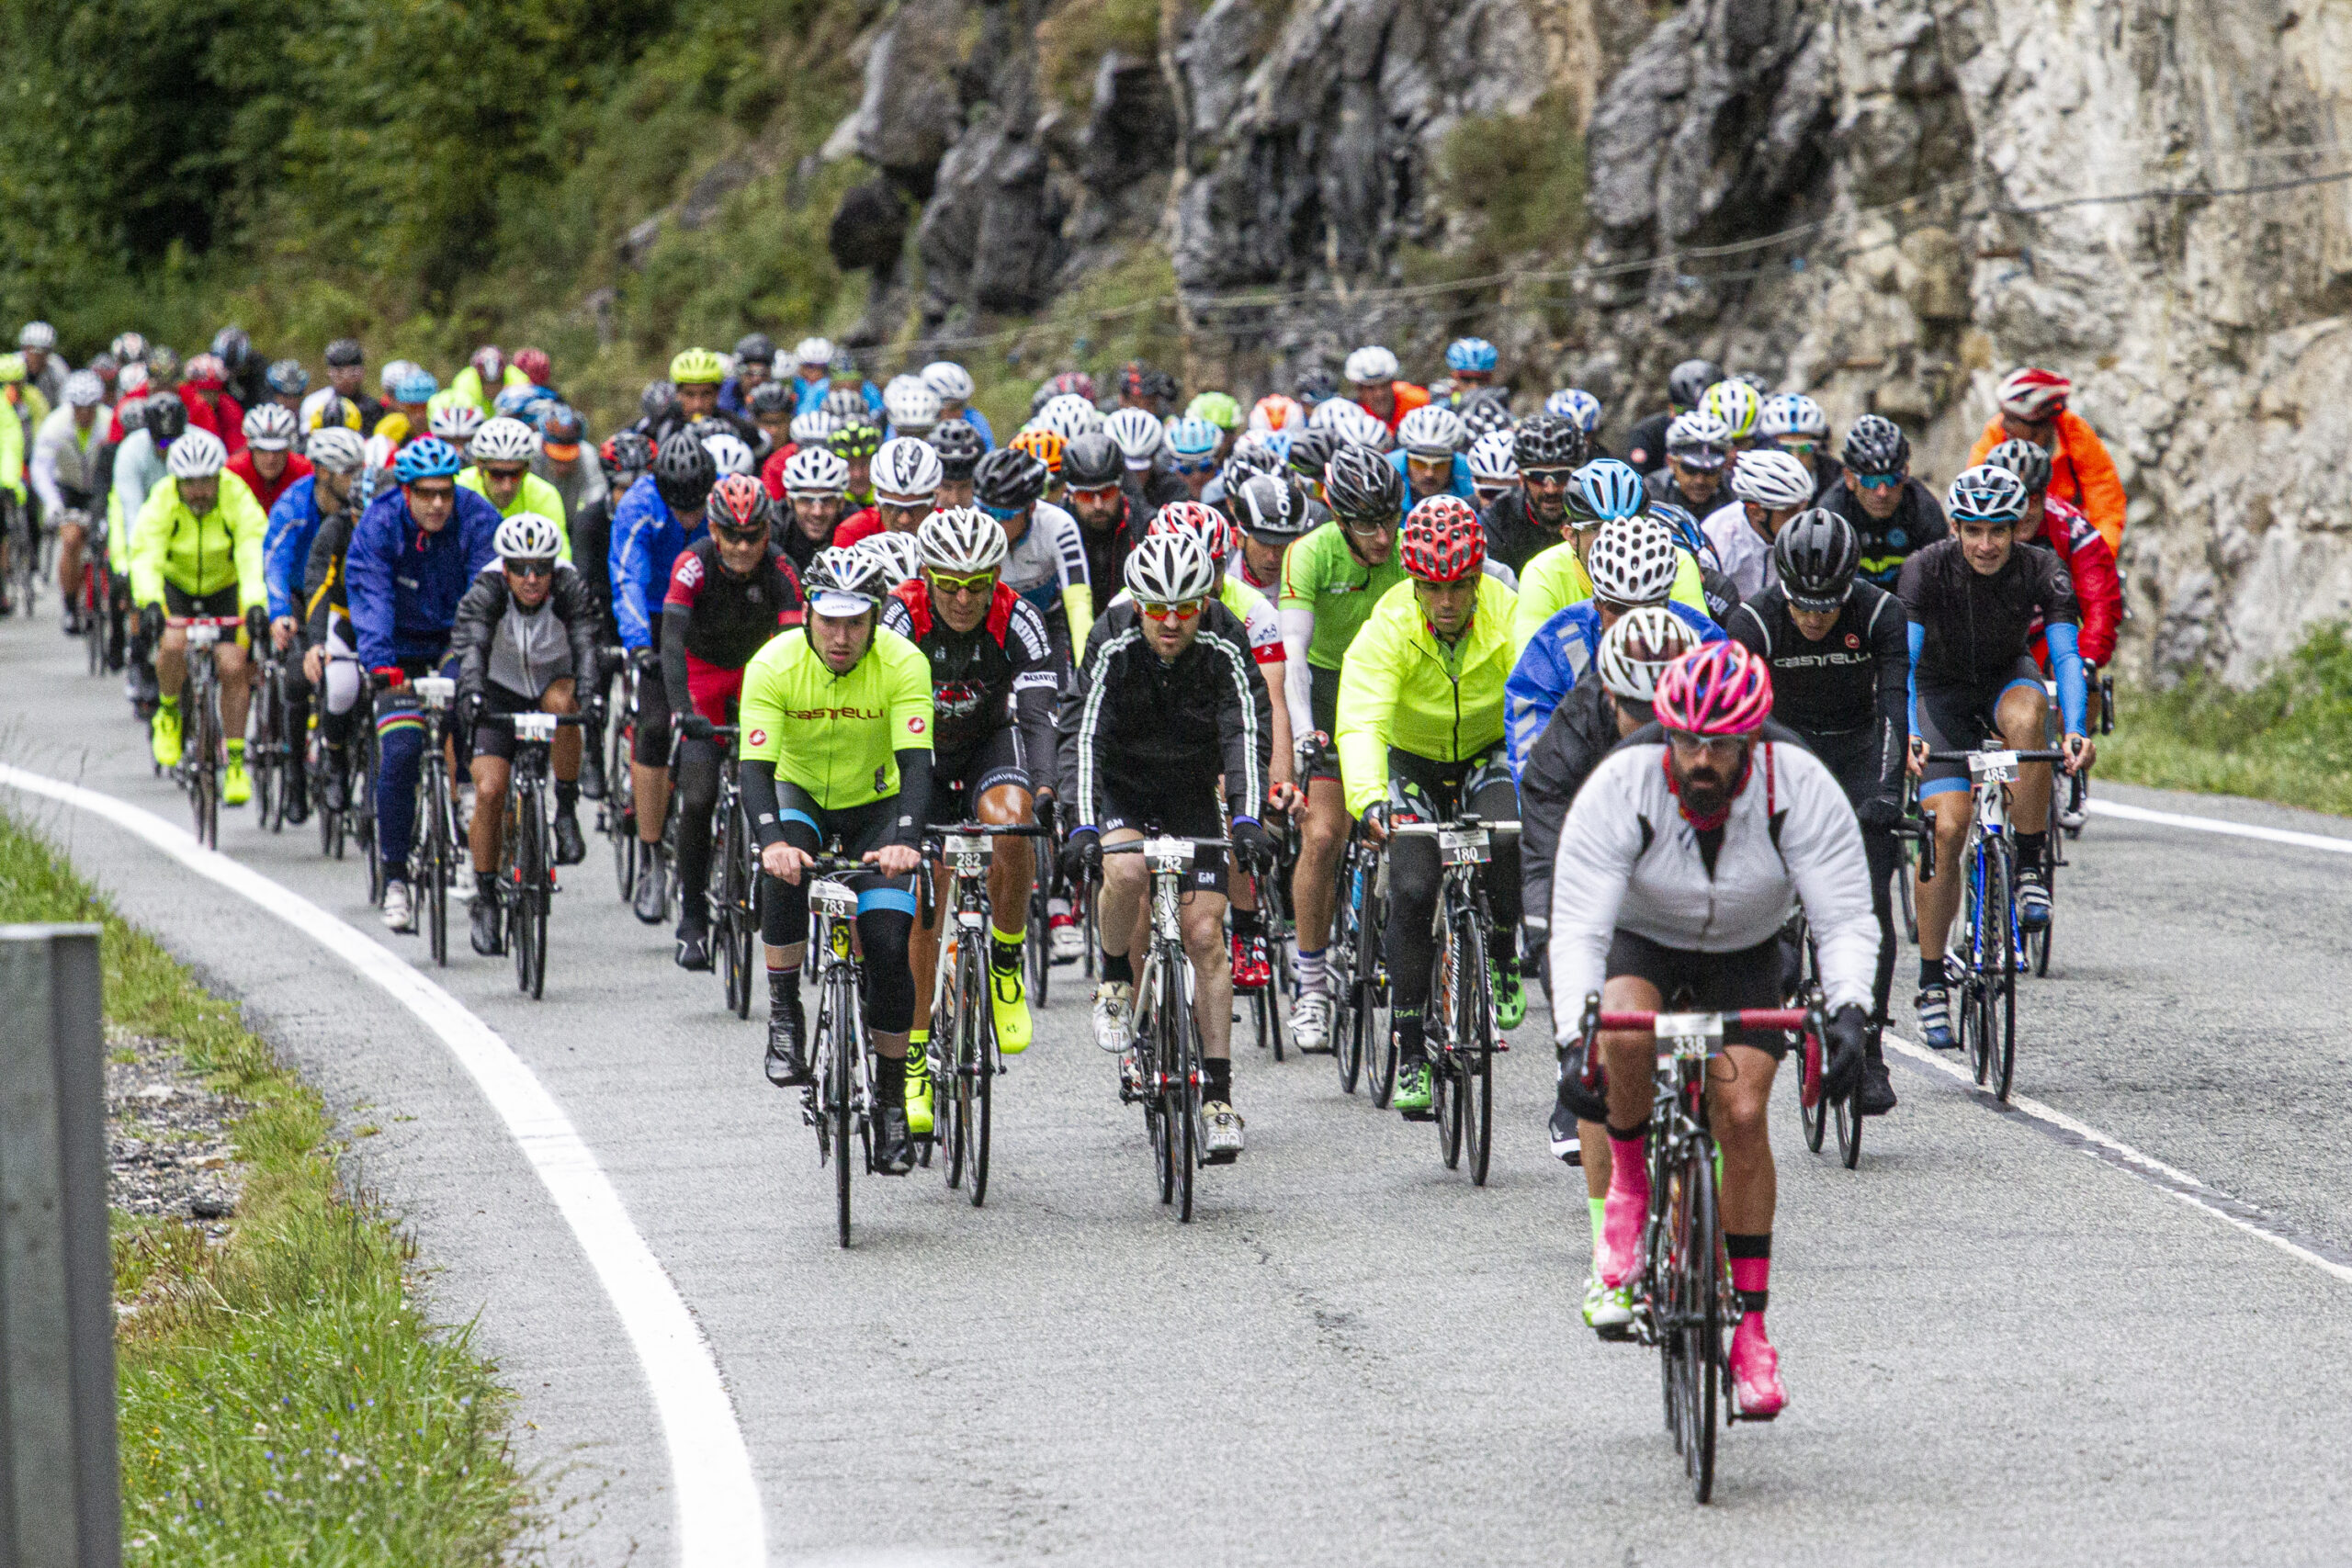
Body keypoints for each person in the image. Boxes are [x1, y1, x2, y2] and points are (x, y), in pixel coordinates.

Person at [1554, 640, 1874, 1413]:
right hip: (1645, 939)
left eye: (1723, 744)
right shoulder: (1623, 784)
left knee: (1739, 1111)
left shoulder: (1795, 784)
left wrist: (1851, 1013)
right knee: (1624, 1032)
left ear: (1752, 740)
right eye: (1689, 740)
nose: (1703, 758)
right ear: (1666, 730)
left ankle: (1752, 1333)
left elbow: (1845, 918)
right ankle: (1629, 1191)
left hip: (1749, 950)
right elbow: (1579, 930)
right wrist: (1574, 1039)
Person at [1060, 532, 1271, 1161]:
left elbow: (1245, 728)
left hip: (1189, 790)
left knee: (1205, 934)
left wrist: (1248, 817)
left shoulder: (1226, 639)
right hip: (1124, 785)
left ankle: (1218, 1095)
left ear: (1206, 601)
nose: (1171, 621)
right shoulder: (1111, 636)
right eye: (1158, 608)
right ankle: (1116, 978)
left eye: (1186, 607)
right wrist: (1082, 826)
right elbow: (1085, 732)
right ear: (1138, 603)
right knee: (1123, 872)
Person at [1517, 608, 1700, 1325]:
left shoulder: (1720, 734)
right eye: (1635, 712)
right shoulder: (1572, 734)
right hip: (1605, 900)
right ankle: (1610, 1250)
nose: (1653, 729)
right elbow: (1545, 873)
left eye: (1668, 715)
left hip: (1697, 899)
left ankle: (1706, 1235)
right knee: (1602, 1055)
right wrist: (1565, 1010)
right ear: (1607, 698)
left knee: (1726, 1072)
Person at [737, 546, 931, 1171]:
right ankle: (785, 1010)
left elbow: (917, 764)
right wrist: (771, 842)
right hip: (801, 800)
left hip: (878, 805)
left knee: (887, 940)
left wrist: (905, 836)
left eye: (855, 621)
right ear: (808, 613)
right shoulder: (772, 664)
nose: (841, 636)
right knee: (785, 869)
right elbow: (754, 770)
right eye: (828, 620)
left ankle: (895, 1102)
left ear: (875, 617)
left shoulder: (904, 662)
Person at [1336, 496, 1526, 1113]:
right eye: (1432, 588)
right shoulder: (1388, 624)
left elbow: (1537, 697)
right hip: (1410, 760)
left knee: (1511, 835)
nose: (1446, 602)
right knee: (1415, 890)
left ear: (1479, 578)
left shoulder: (1508, 613)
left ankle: (1500, 951)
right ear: (1414, 582)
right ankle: (1411, 1044)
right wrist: (1368, 801)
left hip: (1485, 750)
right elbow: (1362, 718)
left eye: (1461, 586)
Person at [1902, 466, 2095, 1046]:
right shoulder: (1924, 569)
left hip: (2007, 682)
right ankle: (1933, 981)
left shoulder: (2042, 569)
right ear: (1956, 528)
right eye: (1975, 531)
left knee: (2028, 722)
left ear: (2017, 531)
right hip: (1940, 696)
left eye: (1999, 532)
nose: (1986, 545)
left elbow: (2065, 656)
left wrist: (2078, 729)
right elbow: (1905, 668)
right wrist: (1909, 732)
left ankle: (2030, 866)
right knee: (1946, 828)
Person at [1726, 510, 1908, 1115]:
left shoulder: (1881, 613)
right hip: (1784, 745)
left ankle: (1872, 1047)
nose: (1812, 618)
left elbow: (1893, 709)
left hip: (1859, 746)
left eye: (1826, 607)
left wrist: (1886, 794)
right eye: (1801, 605)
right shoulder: (1754, 621)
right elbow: (1739, 722)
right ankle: (1778, 942)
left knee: (1870, 889)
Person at [882, 507, 1057, 1131]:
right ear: (926, 574)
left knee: (1011, 821)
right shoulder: (898, 616)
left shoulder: (1020, 617)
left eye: (977, 584)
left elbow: (1038, 715)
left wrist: (1044, 791)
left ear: (995, 577)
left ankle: (1006, 963)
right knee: (926, 896)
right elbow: (879, 711)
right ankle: (916, 1052)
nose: (962, 597)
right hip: (919, 750)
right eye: (949, 583)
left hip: (989, 744)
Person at [1277, 444, 1408, 1050]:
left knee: (1408, 830)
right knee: (1325, 835)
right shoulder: (1310, 553)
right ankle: (1311, 986)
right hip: (1328, 691)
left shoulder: (1409, 552)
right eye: (1364, 522)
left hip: (1392, 687)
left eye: (1389, 517)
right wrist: (1305, 730)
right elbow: (1293, 658)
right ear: (1337, 515)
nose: (1381, 536)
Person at [345, 438, 504, 931]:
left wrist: (474, 657)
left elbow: (488, 589)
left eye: (445, 493)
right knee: (401, 751)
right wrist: (380, 663)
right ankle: (396, 878)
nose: (438, 504)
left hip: (456, 639)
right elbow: (370, 597)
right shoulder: (380, 523)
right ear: (407, 491)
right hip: (398, 646)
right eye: (426, 494)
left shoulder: (477, 517)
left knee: (467, 702)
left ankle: (463, 795)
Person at [659, 474, 804, 969]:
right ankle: (692, 917)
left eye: (753, 535)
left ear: (767, 532)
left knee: (773, 777)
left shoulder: (782, 568)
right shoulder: (692, 565)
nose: (743, 546)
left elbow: (794, 647)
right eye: (732, 535)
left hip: (756, 674)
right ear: (714, 531)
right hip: (702, 675)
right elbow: (671, 643)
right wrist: (684, 712)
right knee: (698, 795)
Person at [450, 513, 597, 954]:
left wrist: (591, 697)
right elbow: (471, 647)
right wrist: (473, 695)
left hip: (553, 682)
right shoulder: (486, 589)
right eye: (520, 568)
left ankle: (566, 809)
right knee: (491, 790)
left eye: (541, 568)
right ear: (505, 566)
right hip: (498, 689)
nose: (531, 578)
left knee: (564, 706)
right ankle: (487, 896)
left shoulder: (570, 588)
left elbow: (587, 643)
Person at [1506, 514, 1724, 777]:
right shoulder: (1558, 642)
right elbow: (1533, 760)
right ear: (1596, 603)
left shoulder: (1704, 641)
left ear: (1668, 605)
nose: (1633, 622)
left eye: (1648, 609)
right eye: (1618, 609)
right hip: (1586, 779)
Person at [611, 432, 718, 923]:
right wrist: (637, 644)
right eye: (680, 505)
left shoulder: (720, 504)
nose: (689, 516)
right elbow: (627, 576)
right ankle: (654, 856)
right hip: (655, 619)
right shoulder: (639, 507)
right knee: (653, 725)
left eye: (696, 504)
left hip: (707, 612)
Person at [130, 429, 269, 799]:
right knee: (173, 644)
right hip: (177, 586)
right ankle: (170, 712)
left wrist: (256, 603)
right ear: (177, 481)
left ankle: (236, 763)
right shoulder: (162, 500)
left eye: (206, 482)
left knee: (233, 666)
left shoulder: (236, 495)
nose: (200, 492)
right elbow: (146, 554)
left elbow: (252, 551)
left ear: (218, 477)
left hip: (225, 586)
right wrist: (151, 604)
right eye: (190, 484)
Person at [258, 426, 367, 823]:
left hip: (346, 600)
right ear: (323, 472)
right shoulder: (294, 505)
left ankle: (347, 750)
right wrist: (279, 613)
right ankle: (295, 774)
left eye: (359, 469)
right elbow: (275, 560)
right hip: (299, 599)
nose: (356, 479)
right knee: (298, 678)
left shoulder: (360, 504)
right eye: (347, 471)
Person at [1510, 459, 1718, 647]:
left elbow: (1701, 653)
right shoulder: (1542, 572)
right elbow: (1531, 670)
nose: (1617, 537)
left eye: (1630, 525)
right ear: (1571, 535)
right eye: (1600, 528)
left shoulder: (1676, 561)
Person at [1980, 438, 2121, 679]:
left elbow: (2100, 604)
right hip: (1988, 639)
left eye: (2033, 499)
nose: (2024, 511)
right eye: (2012, 500)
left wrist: (2087, 658)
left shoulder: (2072, 529)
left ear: (2046, 492)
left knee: (2077, 676)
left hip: (2047, 636)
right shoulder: (1974, 529)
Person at [570, 430, 654, 802]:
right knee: (595, 670)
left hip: (643, 605)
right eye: (623, 486)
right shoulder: (590, 520)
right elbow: (583, 581)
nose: (633, 495)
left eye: (641, 484)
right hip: (603, 607)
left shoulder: (655, 517)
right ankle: (592, 749)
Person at [1966, 367, 2126, 554]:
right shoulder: (1997, 434)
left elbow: (2106, 503)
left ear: (2040, 422)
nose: (2003, 424)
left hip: (2064, 540)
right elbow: (1972, 493)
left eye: (2011, 419)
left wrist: (2098, 559)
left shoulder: (2076, 435)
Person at [973, 446, 1091, 655]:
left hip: (1047, 622)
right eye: (988, 512)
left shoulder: (1059, 526)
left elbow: (1079, 604)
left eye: (1005, 515)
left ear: (1031, 508)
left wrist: (1085, 668)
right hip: (991, 626)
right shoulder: (969, 529)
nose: (994, 523)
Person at [1820, 414, 1947, 589]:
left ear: (1906, 474)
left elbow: (1937, 586)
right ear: (1849, 479)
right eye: (1870, 481)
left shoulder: (1924, 511)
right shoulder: (1832, 513)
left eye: (1891, 479)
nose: (1882, 492)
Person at [34, 369, 107, 631]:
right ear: (71, 406)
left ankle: (106, 599)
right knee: (71, 539)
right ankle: (69, 604)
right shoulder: (55, 425)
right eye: (79, 408)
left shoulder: (109, 423)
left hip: (100, 489)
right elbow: (41, 469)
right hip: (69, 488)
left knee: (107, 540)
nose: (85, 414)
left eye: (91, 408)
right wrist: (52, 503)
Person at [1479, 413, 1586, 577]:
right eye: (1538, 476)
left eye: (1562, 475)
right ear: (1521, 478)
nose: (1550, 489)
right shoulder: (1498, 519)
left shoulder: (1594, 514)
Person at [1702, 448, 1815, 600]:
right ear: (1756, 511)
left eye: (1804, 507)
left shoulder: (1812, 532)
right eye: (1791, 510)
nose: (1802, 519)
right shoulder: (1718, 537)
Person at [458, 418, 571, 555]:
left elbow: (560, 559)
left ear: (527, 469)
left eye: (515, 474)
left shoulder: (545, 495)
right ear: (480, 468)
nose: (507, 486)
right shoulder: (459, 488)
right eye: (497, 474)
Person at [1060, 432, 1136, 603]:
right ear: (1070, 495)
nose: (1098, 505)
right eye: (1086, 496)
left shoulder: (1142, 521)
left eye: (1108, 492)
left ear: (1121, 488)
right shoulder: (1056, 527)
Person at [831, 435, 940, 550]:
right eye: (892, 507)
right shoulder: (853, 534)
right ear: (876, 501)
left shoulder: (951, 531)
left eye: (917, 508)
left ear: (934, 503)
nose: (904, 519)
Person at [1621, 358, 1722, 474]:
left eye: (1707, 413)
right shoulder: (1648, 433)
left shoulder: (1728, 436)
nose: (1696, 421)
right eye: (1683, 411)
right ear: (1671, 408)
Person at [1645, 411, 1734, 517]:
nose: (1700, 481)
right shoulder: (1650, 493)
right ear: (1671, 462)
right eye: (1689, 469)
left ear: (1723, 467)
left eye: (1710, 471)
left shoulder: (1734, 493)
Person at [228, 404, 313, 513]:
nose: (270, 459)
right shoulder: (233, 472)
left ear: (288, 449)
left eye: (278, 451)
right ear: (250, 448)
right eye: (262, 450)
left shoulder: (305, 472)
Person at [533, 404, 606, 525]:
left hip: (574, 522)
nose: (563, 468)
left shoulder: (587, 455)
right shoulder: (532, 451)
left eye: (569, 460)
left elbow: (596, 493)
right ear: (543, 447)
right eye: (557, 460)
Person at [1757, 393, 1836, 502]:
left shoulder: (1836, 479)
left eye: (1805, 448)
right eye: (1785, 449)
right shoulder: (1757, 481)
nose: (1795, 458)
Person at [1388, 405, 1473, 504]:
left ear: (1453, 463)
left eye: (1440, 465)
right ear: (1406, 460)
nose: (1429, 474)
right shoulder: (1387, 473)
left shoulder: (1470, 476)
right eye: (1419, 463)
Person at [303, 339, 385, 435]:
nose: (346, 379)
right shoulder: (315, 403)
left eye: (353, 373)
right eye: (339, 373)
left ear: (363, 372)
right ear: (329, 372)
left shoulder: (373, 408)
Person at [1343, 344, 1430, 434]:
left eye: (1384, 385)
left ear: (1393, 382)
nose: (1379, 394)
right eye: (1370, 388)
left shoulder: (1418, 401)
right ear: (1359, 390)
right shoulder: (1354, 417)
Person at [718, 333, 775, 422]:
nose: (756, 379)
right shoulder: (727, 393)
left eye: (763, 374)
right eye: (750, 373)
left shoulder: (779, 397)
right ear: (739, 374)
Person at [17, 321, 66, 409]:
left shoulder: (57, 369)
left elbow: (65, 402)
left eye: (42, 351)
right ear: (24, 349)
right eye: (31, 350)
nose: (36, 357)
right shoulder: (13, 364)